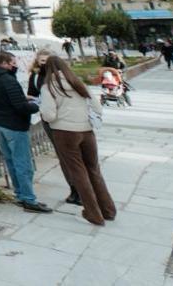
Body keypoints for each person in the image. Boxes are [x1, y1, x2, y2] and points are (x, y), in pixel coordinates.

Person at [39, 55, 116, 225]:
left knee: (78, 172)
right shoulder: (78, 83)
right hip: (87, 131)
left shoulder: (49, 87)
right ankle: (108, 210)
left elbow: (49, 115)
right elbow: (97, 108)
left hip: (65, 133)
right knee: (94, 170)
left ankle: (93, 214)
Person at [0, 50, 51, 213]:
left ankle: (20, 194)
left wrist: (22, 98)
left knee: (12, 161)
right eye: (13, 63)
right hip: (14, 125)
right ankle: (28, 199)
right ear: (4, 63)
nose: (16, 66)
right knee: (23, 163)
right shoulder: (7, 80)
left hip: (1, 123)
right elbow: (20, 107)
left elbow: (7, 99)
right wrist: (36, 106)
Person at [27, 51, 81, 206]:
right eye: (41, 61)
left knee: (73, 156)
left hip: (68, 119)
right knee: (63, 155)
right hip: (50, 120)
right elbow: (31, 94)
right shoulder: (36, 77)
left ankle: (82, 190)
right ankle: (74, 189)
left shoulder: (63, 76)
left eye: (47, 60)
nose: (44, 63)